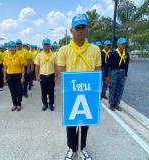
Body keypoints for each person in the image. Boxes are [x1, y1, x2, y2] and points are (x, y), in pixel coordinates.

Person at [57, 14, 101, 160]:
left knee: (85, 122)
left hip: (87, 92)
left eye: (83, 27)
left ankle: (82, 148)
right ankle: (71, 148)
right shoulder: (63, 50)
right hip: (71, 92)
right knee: (71, 123)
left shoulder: (95, 50)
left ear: (87, 29)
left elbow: (97, 71)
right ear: (71, 30)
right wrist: (68, 90)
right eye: (77, 28)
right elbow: (61, 72)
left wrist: (95, 91)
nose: (80, 30)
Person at [105, 38, 129, 111]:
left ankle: (116, 104)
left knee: (120, 89)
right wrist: (106, 76)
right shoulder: (113, 54)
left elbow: (127, 65)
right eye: (122, 44)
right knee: (112, 88)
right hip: (114, 72)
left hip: (122, 72)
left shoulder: (126, 54)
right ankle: (111, 104)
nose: (123, 45)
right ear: (118, 45)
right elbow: (107, 65)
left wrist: (125, 75)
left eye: (124, 44)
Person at [35, 38, 58, 111]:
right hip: (42, 76)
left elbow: (56, 66)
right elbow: (37, 66)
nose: (46, 46)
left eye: (47, 44)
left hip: (51, 75)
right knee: (43, 91)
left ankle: (51, 104)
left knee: (51, 91)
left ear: (50, 45)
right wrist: (36, 76)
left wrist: (56, 75)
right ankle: (45, 104)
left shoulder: (54, 55)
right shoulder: (39, 55)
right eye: (44, 44)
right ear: (42, 45)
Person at [3, 41, 25, 111]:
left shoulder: (20, 56)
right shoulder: (6, 57)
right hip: (9, 75)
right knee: (12, 91)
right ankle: (14, 104)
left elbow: (23, 67)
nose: (11, 48)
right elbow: (5, 68)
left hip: (18, 75)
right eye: (9, 47)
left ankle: (19, 104)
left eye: (12, 47)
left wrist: (23, 77)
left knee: (18, 90)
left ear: (15, 48)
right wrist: (4, 78)